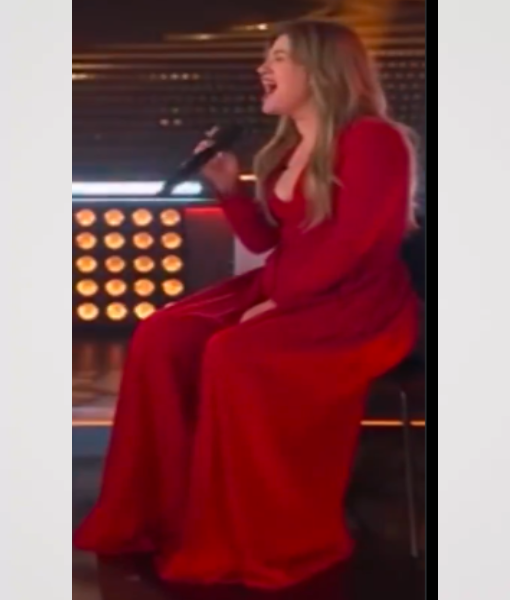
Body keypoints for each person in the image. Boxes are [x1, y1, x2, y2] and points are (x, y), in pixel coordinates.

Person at [74, 20, 420, 590]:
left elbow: (353, 246)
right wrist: (229, 190)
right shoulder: (286, 149)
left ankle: (255, 534)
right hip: (291, 283)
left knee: (235, 354)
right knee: (164, 334)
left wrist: (280, 302)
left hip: (357, 303)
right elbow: (270, 241)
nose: (263, 68)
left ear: (320, 68)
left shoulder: (375, 141)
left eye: (278, 57)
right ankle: (170, 515)